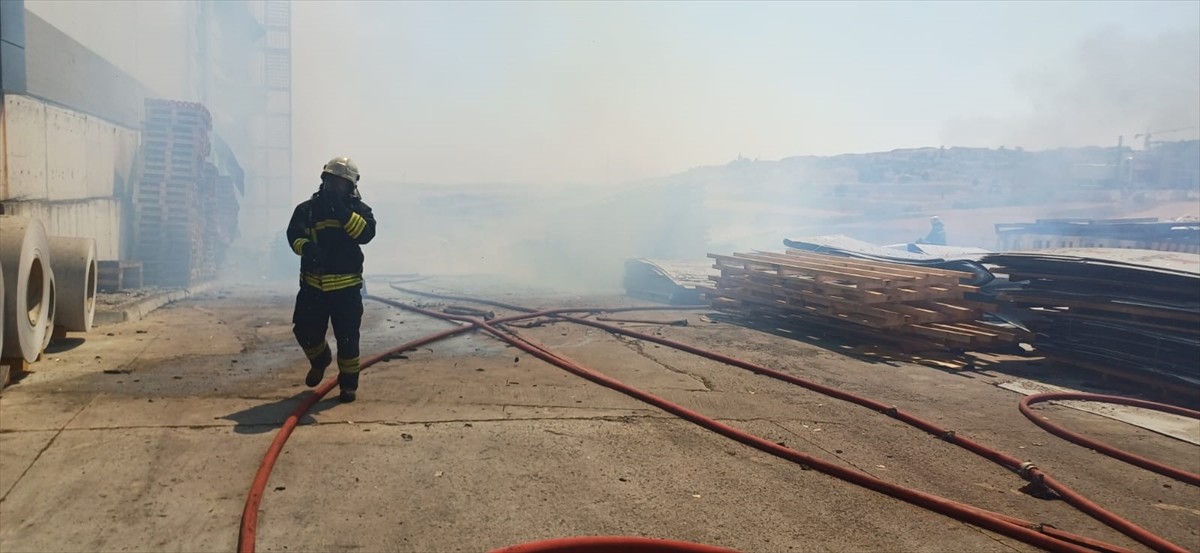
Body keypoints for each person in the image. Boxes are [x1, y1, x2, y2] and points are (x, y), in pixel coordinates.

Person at [286, 157, 377, 402]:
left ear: (350, 187)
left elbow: (367, 234)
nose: (335, 188)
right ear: (323, 180)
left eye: (341, 184)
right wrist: (306, 248)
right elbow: (293, 234)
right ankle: (320, 359)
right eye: (331, 182)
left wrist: (343, 212)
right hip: (312, 287)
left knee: (348, 340)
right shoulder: (307, 210)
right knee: (305, 332)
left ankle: (348, 386)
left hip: (346, 291)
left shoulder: (359, 211)